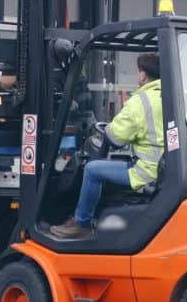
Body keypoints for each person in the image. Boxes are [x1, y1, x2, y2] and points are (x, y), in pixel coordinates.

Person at [51, 52, 164, 240]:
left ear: (143, 75)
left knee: (92, 169)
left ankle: (82, 223)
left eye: (138, 72)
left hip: (147, 172)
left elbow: (115, 137)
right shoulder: (182, 95)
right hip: (170, 168)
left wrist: (108, 131)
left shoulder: (140, 102)